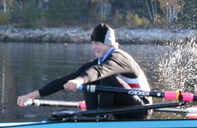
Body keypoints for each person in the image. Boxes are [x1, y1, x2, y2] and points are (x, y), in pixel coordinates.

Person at [15, 23, 152, 119]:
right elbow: (64, 80)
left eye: (97, 43)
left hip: (141, 110)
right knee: (86, 74)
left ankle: (99, 118)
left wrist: (79, 81)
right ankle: (92, 116)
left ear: (108, 43)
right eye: (92, 43)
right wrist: (32, 95)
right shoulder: (100, 61)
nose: (93, 47)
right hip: (124, 109)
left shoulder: (118, 57)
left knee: (101, 76)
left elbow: (99, 71)